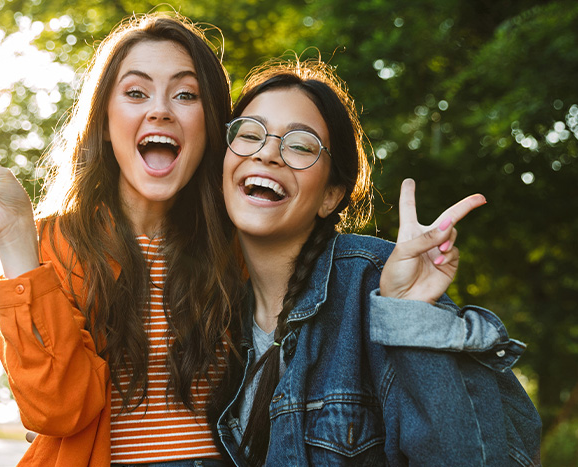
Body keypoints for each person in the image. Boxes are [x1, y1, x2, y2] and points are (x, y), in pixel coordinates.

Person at [0, 12, 244, 466]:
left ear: (211, 125)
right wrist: (13, 236)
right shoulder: (53, 246)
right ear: (105, 121)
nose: (161, 108)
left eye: (186, 94)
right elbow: (57, 409)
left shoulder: (241, 250)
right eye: (136, 92)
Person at [215, 60, 542, 466]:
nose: (267, 154)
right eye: (249, 135)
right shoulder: (206, 311)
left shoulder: (381, 282)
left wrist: (412, 319)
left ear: (331, 196)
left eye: (299, 145)